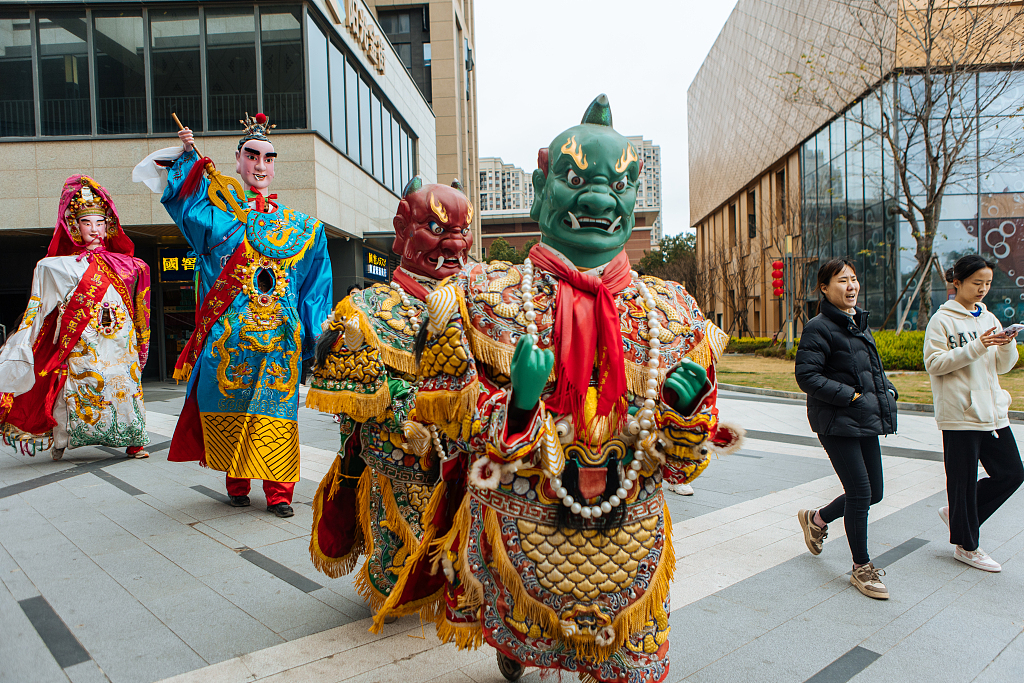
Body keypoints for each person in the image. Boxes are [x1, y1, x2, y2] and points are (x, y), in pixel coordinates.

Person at [378, 95, 742, 683]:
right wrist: (519, 403)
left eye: (619, 185)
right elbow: (448, 418)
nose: (600, 199)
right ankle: (514, 645)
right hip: (525, 522)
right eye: (578, 180)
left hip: (630, 535)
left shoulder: (673, 312)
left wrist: (684, 411)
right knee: (526, 631)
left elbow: (683, 466)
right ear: (540, 191)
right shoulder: (478, 298)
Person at [133, 113, 332, 518]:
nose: (261, 165)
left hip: (280, 342)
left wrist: (317, 336)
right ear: (238, 161)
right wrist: (190, 158)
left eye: (269, 158)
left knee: (277, 413)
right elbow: (187, 208)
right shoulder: (220, 217)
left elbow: (315, 286)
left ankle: (279, 492)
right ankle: (237, 483)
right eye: (252, 156)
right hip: (229, 341)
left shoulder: (304, 228)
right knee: (234, 408)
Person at [306, 177, 473, 620]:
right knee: (401, 527)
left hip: (469, 446)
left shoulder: (480, 301)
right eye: (438, 230)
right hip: (404, 448)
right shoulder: (368, 307)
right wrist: (403, 416)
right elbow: (351, 384)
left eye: (462, 230)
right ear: (403, 229)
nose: (455, 244)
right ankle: (397, 583)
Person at [0, 176, 151, 460]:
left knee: (123, 383)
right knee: (78, 385)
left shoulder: (132, 265)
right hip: (82, 338)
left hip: (120, 339)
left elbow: (141, 306)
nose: (94, 229)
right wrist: (24, 339)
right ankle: (62, 438)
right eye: (87, 223)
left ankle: (134, 439)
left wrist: (141, 341)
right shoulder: (57, 266)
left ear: (109, 226)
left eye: (99, 223)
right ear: (75, 227)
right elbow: (40, 305)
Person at [795, 258, 898, 600]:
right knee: (860, 494)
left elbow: (872, 369)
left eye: (854, 279)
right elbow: (807, 377)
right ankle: (861, 568)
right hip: (837, 422)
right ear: (824, 288)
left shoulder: (858, 323)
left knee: (875, 492)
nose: (851, 286)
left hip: (863, 418)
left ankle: (818, 519)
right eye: (842, 280)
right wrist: (852, 396)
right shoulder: (818, 327)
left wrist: (887, 390)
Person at [924, 254, 1023, 572]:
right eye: (976, 283)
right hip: (959, 413)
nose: (983, 289)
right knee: (963, 482)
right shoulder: (942, 321)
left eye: (988, 283)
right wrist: (978, 346)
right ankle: (967, 546)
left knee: (1012, 473)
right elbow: (935, 364)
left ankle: (958, 516)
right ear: (957, 283)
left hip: (992, 412)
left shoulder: (989, 318)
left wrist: (1006, 344)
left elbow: (1003, 367)